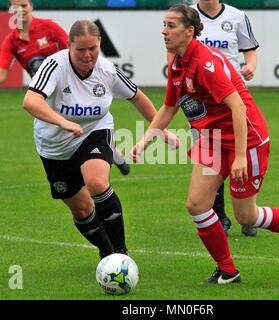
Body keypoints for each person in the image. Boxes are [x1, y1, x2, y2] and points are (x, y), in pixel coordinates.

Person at [131, 4, 279, 284]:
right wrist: (145, 140)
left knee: (246, 216)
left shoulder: (205, 63)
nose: (164, 31)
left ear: (189, 30)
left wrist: (241, 157)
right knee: (197, 203)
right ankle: (228, 271)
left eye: (171, 26)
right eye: (164, 24)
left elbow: (238, 108)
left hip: (247, 139)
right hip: (213, 139)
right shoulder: (177, 62)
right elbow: (169, 107)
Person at [22, 20, 179, 259]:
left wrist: (162, 131)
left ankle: (120, 254)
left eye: (92, 49)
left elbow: (137, 97)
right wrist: (62, 122)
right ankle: (106, 253)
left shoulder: (107, 70)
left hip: (95, 130)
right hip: (55, 145)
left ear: (99, 44)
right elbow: (30, 101)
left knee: (96, 182)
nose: (88, 55)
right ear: (68, 46)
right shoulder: (54, 65)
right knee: (82, 208)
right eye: (81, 50)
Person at [0, 0, 130, 175]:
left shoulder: (49, 27)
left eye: (24, 5)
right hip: (48, 96)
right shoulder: (11, 41)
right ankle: (104, 156)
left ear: (31, 6)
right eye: (15, 6)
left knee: (90, 118)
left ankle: (111, 153)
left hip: (72, 86)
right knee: (66, 131)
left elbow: (73, 49)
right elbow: (2, 75)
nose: (20, 10)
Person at [189, 0, 259, 236]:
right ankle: (219, 216)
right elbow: (176, 53)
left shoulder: (237, 16)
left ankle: (248, 214)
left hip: (232, 96)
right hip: (203, 102)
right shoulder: (187, 15)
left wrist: (250, 65)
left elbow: (249, 48)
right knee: (210, 159)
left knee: (243, 151)